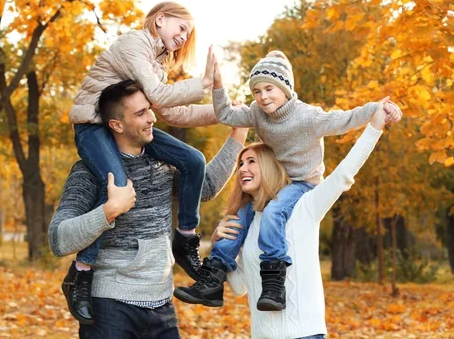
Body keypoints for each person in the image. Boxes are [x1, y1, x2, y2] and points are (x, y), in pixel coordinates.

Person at [174, 50, 401, 310]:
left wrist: (378, 109)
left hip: (303, 183)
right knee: (237, 217)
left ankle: (273, 282)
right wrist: (218, 84)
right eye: (257, 91)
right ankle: (212, 280)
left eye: (269, 88)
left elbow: (344, 119)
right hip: (276, 182)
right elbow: (225, 114)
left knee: (273, 213)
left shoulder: (308, 117)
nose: (263, 97)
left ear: (286, 88)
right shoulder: (257, 113)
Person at [49, 80, 246, 337]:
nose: (152, 118)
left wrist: (238, 136)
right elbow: (58, 239)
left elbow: (205, 187)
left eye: (149, 109)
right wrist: (108, 211)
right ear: (116, 125)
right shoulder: (88, 171)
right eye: (140, 113)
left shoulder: (162, 164)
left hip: (162, 305)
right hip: (109, 307)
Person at [65, 1, 219, 323]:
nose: (183, 37)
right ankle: (81, 272)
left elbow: (171, 111)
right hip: (94, 127)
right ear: (160, 19)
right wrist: (202, 83)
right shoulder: (134, 43)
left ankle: (186, 237)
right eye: (181, 28)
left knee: (193, 159)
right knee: (118, 187)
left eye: (187, 34)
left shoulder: (158, 65)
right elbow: (158, 94)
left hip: (127, 125)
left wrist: (225, 112)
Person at [211, 100, 395, 339]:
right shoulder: (247, 224)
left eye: (251, 161)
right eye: (240, 164)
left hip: (305, 334)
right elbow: (239, 288)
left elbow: (343, 175)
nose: (243, 169)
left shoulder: (304, 207)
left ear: (268, 166)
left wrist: (375, 128)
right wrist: (218, 242)